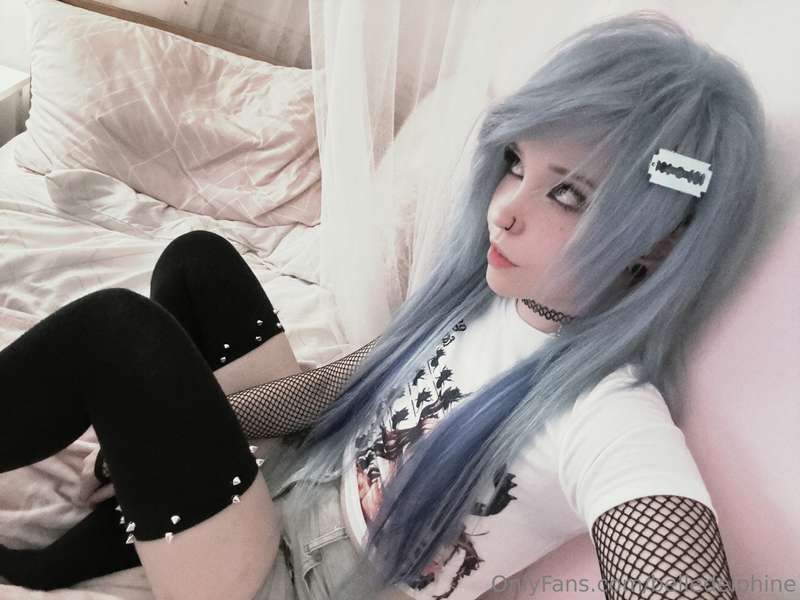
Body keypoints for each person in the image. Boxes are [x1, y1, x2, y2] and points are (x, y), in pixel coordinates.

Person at [0, 9, 765, 600]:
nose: (505, 210)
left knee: (118, 333)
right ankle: (111, 529)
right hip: (291, 481)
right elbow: (340, 386)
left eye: (568, 194)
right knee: (198, 263)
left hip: (286, 583)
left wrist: (172, 422)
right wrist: (183, 427)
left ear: (655, 245)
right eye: (515, 163)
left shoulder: (609, 414)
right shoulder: (491, 298)